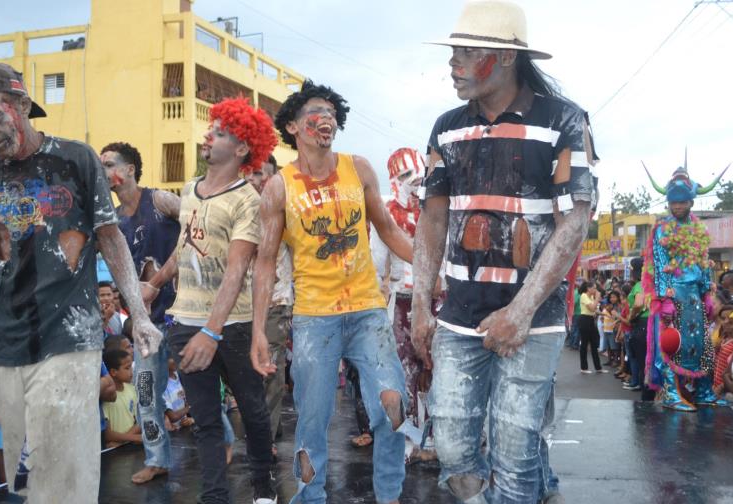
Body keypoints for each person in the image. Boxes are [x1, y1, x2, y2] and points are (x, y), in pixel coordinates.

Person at [411, 1, 599, 501]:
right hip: (458, 317)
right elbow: (432, 218)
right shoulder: (446, 127)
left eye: (468, 52)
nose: (454, 63)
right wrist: (421, 305)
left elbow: (574, 223)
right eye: (454, 51)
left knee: (516, 456)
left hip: (532, 321)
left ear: (508, 58)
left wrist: (520, 311)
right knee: (450, 448)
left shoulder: (564, 120)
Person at [0, 57, 160, 502]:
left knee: (65, 462)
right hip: (4, 340)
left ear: (22, 105)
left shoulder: (75, 158)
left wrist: (139, 314)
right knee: (25, 468)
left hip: (69, 333)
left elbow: (109, 237)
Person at [251, 79, 412, 504]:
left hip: (367, 313)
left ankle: (390, 496)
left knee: (393, 407)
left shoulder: (357, 168)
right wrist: (257, 333)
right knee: (313, 425)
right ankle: (311, 497)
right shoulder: (278, 187)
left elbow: (388, 229)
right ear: (292, 127)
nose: (325, 119)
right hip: (313, 320)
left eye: (330, 113)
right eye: (314, 113)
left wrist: (433, 268)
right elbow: (265, 260)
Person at [144, 97, 278, 504]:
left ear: (241, 150)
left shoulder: (248, 202)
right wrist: (156, 283)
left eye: (220, 132)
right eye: (212, 128)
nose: (209, 135)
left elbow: (237, 270)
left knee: (253, 412)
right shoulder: (189, 191)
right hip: (185, 321)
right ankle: (215, 497)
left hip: (231, 327)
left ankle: (263, 487)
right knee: (204, 421)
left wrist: (211, 331)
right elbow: (185, 248)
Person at [102, 141, 180, 484]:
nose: (104, 172)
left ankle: (220, 444)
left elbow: (197, 229)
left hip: (182, 315)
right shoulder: (115, 220)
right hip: (147, 323)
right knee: (146, 393)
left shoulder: (160, 200)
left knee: (199, 386)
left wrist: (160, 280)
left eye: (109, 165)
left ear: (130, 169)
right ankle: (156, 459)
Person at [642, 159, 726, 411]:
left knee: (700, 344)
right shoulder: (662, 228)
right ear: (668, 203)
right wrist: (664, 299)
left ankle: (702, 390)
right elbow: (658, 264)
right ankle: (670, 393)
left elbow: (702, 263)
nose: (678, 206)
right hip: (672, 296)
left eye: (682, 202)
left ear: (691, 202)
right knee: (670, 343)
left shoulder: (699, 228)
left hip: (694, 298)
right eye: (673, 202)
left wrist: (707, 294)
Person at [371, 147, 437, 461]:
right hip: (401, 301)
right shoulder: (386, 214)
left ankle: (438, 437)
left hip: (438, 299)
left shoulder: (438, 208)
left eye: (418, 171)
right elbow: (374, 263)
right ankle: (410, 438)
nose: (416, 180)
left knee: (437, 370)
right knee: (404, 372)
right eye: (406, 175)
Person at [244, 153, 293, 455]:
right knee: (248, 373)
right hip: (240, 305)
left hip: (275, 302)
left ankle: (266, 439)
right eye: (251, 174)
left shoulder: (283, 209)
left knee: (270, 371)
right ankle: (267, 429)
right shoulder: (237, 207)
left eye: (263, 174)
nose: (256, 180)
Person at [102, 349, 142, 448]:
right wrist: (136, 438)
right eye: (127, 368)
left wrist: (122, 442)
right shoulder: (107, 397)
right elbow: (108, 435)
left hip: (125, 445)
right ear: (113, 372)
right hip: (119, 449)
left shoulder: (132, 389)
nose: (131, 372)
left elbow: (139, 421)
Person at [578, 283, 605, 374]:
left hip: (590, 320)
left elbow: (594, 310)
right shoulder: (584, 295)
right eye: (594, 288)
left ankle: (598, 367)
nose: (595, 290)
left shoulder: (592, 297)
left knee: (594, 344)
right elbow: (592, 307)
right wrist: (597, 297)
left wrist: (604, 313)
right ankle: (584, 368)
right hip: (584, 320)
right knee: (584, 344)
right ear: (588, 288)